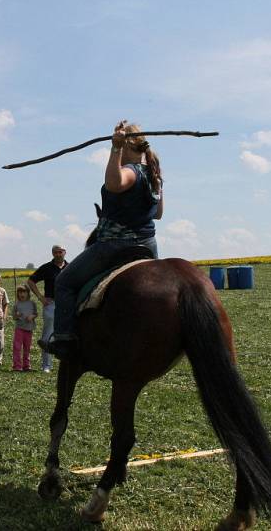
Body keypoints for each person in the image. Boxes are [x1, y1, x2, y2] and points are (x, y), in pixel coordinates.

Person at [47, 120, 164, 360]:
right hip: (148, 246)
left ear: (129, 145)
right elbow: (159, 214)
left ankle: (64, 339)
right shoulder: (155, 177)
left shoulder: (131, 171)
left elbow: (114, 183)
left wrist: (115, 149)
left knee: (64, 282)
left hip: (116, 244)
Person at [27, 245, 68, 373]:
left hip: (67, 306)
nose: (58, 254)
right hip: (51, 305)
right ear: (52, 253)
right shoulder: (46, 268)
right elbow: (31, 281)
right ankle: (46, 365)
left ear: (65, 253)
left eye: (60, 252)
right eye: (55, 252)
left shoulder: (71, 267)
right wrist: (41, 297)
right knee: (48, 335)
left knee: (67, 335)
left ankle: (66, 364)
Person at [11, 284, 38, 371]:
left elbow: (36, 314)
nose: (22, 294)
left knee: (27, 347)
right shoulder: (17, 305)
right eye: (20, 292)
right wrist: (17, 315)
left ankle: (26, 365)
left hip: (29, 329)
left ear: (28, 293)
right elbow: (14, 317)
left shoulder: (32, 303)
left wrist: (32, 317)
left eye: (24, 292)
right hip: (19, 328)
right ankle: (17, 366)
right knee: (17, 347)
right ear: (17, 294)